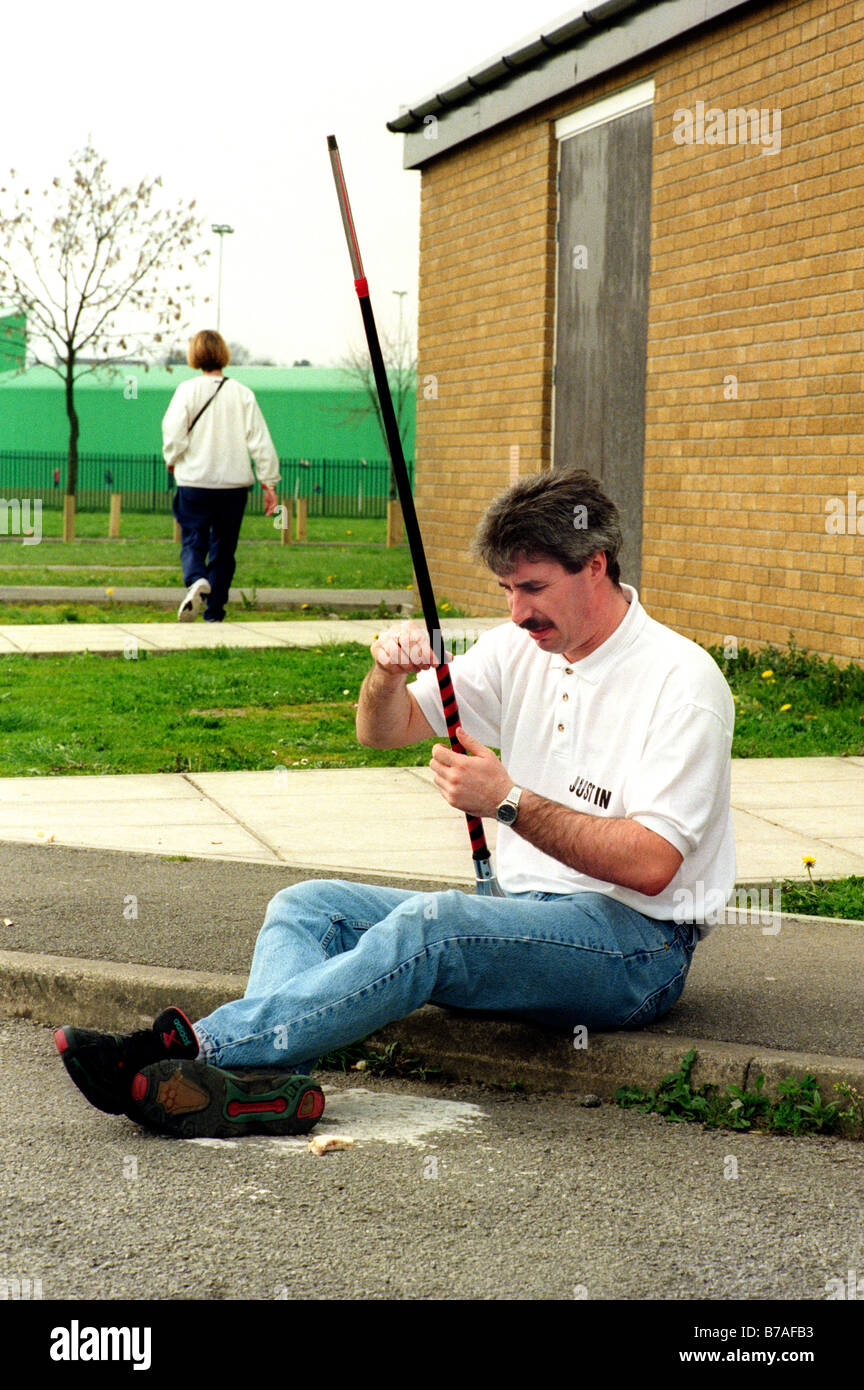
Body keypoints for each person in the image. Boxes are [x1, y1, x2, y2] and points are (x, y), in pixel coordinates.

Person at [54, 468, 735, 1138]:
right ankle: (261, 1093)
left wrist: (507, 802)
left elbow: (653, 865)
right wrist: (385, 672)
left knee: (435, 924)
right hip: (523, 912)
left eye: (533, 588)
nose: (517, 611)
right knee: (305, 907)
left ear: (596, 565)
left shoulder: (681, 683)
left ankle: (191, 1053)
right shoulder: (516, 649)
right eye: (505, 589)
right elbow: (381, 731)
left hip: (638, 946)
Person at [162, 329, 280, 623]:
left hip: (195, 481)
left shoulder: (186, 391)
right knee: (224, 549)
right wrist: (269, 482)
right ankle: (214, 612)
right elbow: (259, 441)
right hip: (234, 485)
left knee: (193, 539)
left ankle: (196, 579)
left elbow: (174, 433)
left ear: (194, 355)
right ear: (224, 354)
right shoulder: (243, 394)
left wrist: (172, 459)